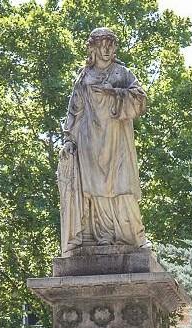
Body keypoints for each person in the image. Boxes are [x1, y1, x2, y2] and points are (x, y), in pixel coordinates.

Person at [58, 27, 150, 254]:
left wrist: (115, 94)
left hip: (118, 142)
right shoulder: (84, 77)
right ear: (93, 48)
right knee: (96, 190)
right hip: (90, 141)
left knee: (123, 187)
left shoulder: (122, 74)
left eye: (110, 45)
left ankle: (133, 236)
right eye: (101, 45)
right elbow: (74, 111)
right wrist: (69, 139)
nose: (106, 49)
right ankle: (104, 237)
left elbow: (141, 100)